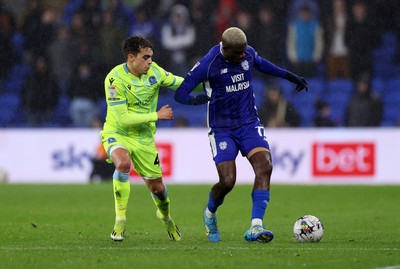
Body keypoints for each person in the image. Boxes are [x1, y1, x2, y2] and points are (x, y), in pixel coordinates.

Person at [174, 27, 308, 243]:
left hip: (248, 123)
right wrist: (195, 100)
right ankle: (210, 213)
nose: (243, 56)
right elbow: (180, 94)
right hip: (222, 129)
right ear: (225, 48)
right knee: (227, 181)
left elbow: (264, 65)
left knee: (265, 166)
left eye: (245, 51)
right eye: (238, 53)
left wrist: (290, 77)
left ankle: (256, 226)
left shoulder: (247, 53)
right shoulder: (208, 64)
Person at [100, 36, 185, 242]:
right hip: (118, 132)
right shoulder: (114, 79)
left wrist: (209, 85)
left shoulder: (155, 71)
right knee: (122, 163)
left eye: (151, 57)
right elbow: (123, 118)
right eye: (145, 57)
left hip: (145, 139)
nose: (150, 61)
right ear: (131, 57)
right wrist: (157, 115)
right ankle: (120, 221)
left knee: (158, 189)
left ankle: (165, 217)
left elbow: (179, 83)